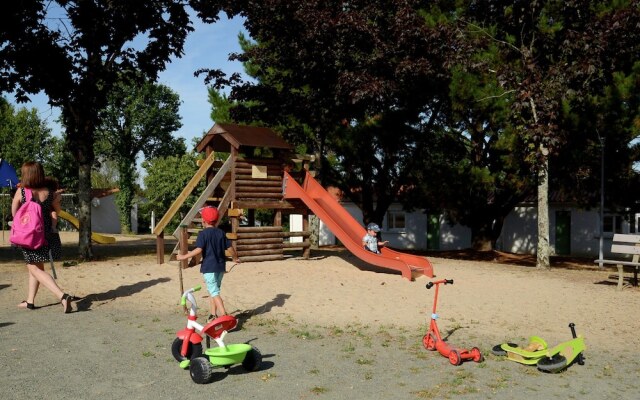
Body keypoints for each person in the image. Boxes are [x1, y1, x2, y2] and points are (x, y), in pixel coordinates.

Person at [12, 162, 71, 313]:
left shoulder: (22, 192)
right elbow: (57, 211)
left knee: (33, 267)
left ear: (26, 174)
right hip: (46, 235)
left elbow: (14, 212)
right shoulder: (50, 192)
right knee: (37, 266)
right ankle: (30, 301)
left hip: (29, 235)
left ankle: (62, 295)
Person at [176, 206, 239, 320]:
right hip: (220, 267)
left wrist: (183, 256)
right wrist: (235, 258)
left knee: (214, 292)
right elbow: (230, 248)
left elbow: (199, 250)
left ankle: (224, 316)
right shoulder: (221, 233)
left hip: (209, 268)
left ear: (204, 221)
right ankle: (212, 315)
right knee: (214, 291)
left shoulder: (203, 234)